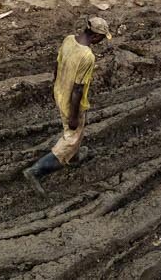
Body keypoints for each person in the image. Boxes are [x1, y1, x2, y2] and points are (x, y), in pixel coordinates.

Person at [25, 17, 111, 194]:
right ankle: (35, 171)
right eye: (102, 37)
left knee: (76, 134)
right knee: (71, 136)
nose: (102, 41)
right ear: (95, 37)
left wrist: (56, 86)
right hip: (71, 102)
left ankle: (74, 156)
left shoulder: (68, 39)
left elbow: (57, 65)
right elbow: (78, 89)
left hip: (60, 92)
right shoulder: (87, 56)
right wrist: (73, 115)